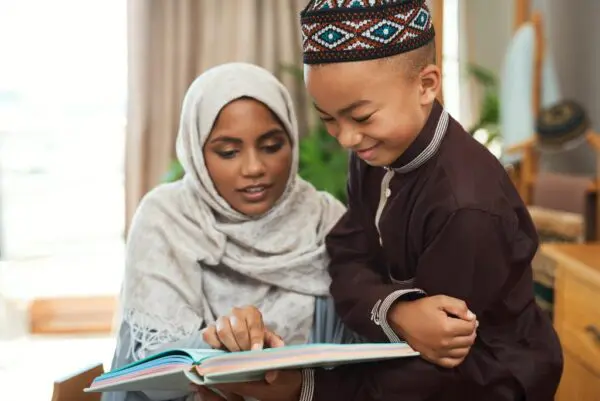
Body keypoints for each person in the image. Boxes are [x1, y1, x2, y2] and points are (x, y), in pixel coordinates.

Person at [198, 1, 563, 401]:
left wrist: (307, 388)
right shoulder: (376, 152)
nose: (346, 138)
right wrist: (396, 311)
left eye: (362, 117)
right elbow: (345, 255)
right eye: (328, 119)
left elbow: (438, 365)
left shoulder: (465, 208)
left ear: (426, 85)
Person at [103, 62, 477, 401]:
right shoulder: (167, 220)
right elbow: (147, 377)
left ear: (291, 143)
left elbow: (361, 354)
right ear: (197, 154)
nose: (254, 168)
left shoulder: (325, 219)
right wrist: (210, 344)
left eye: (271, 146)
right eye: (228, 152)